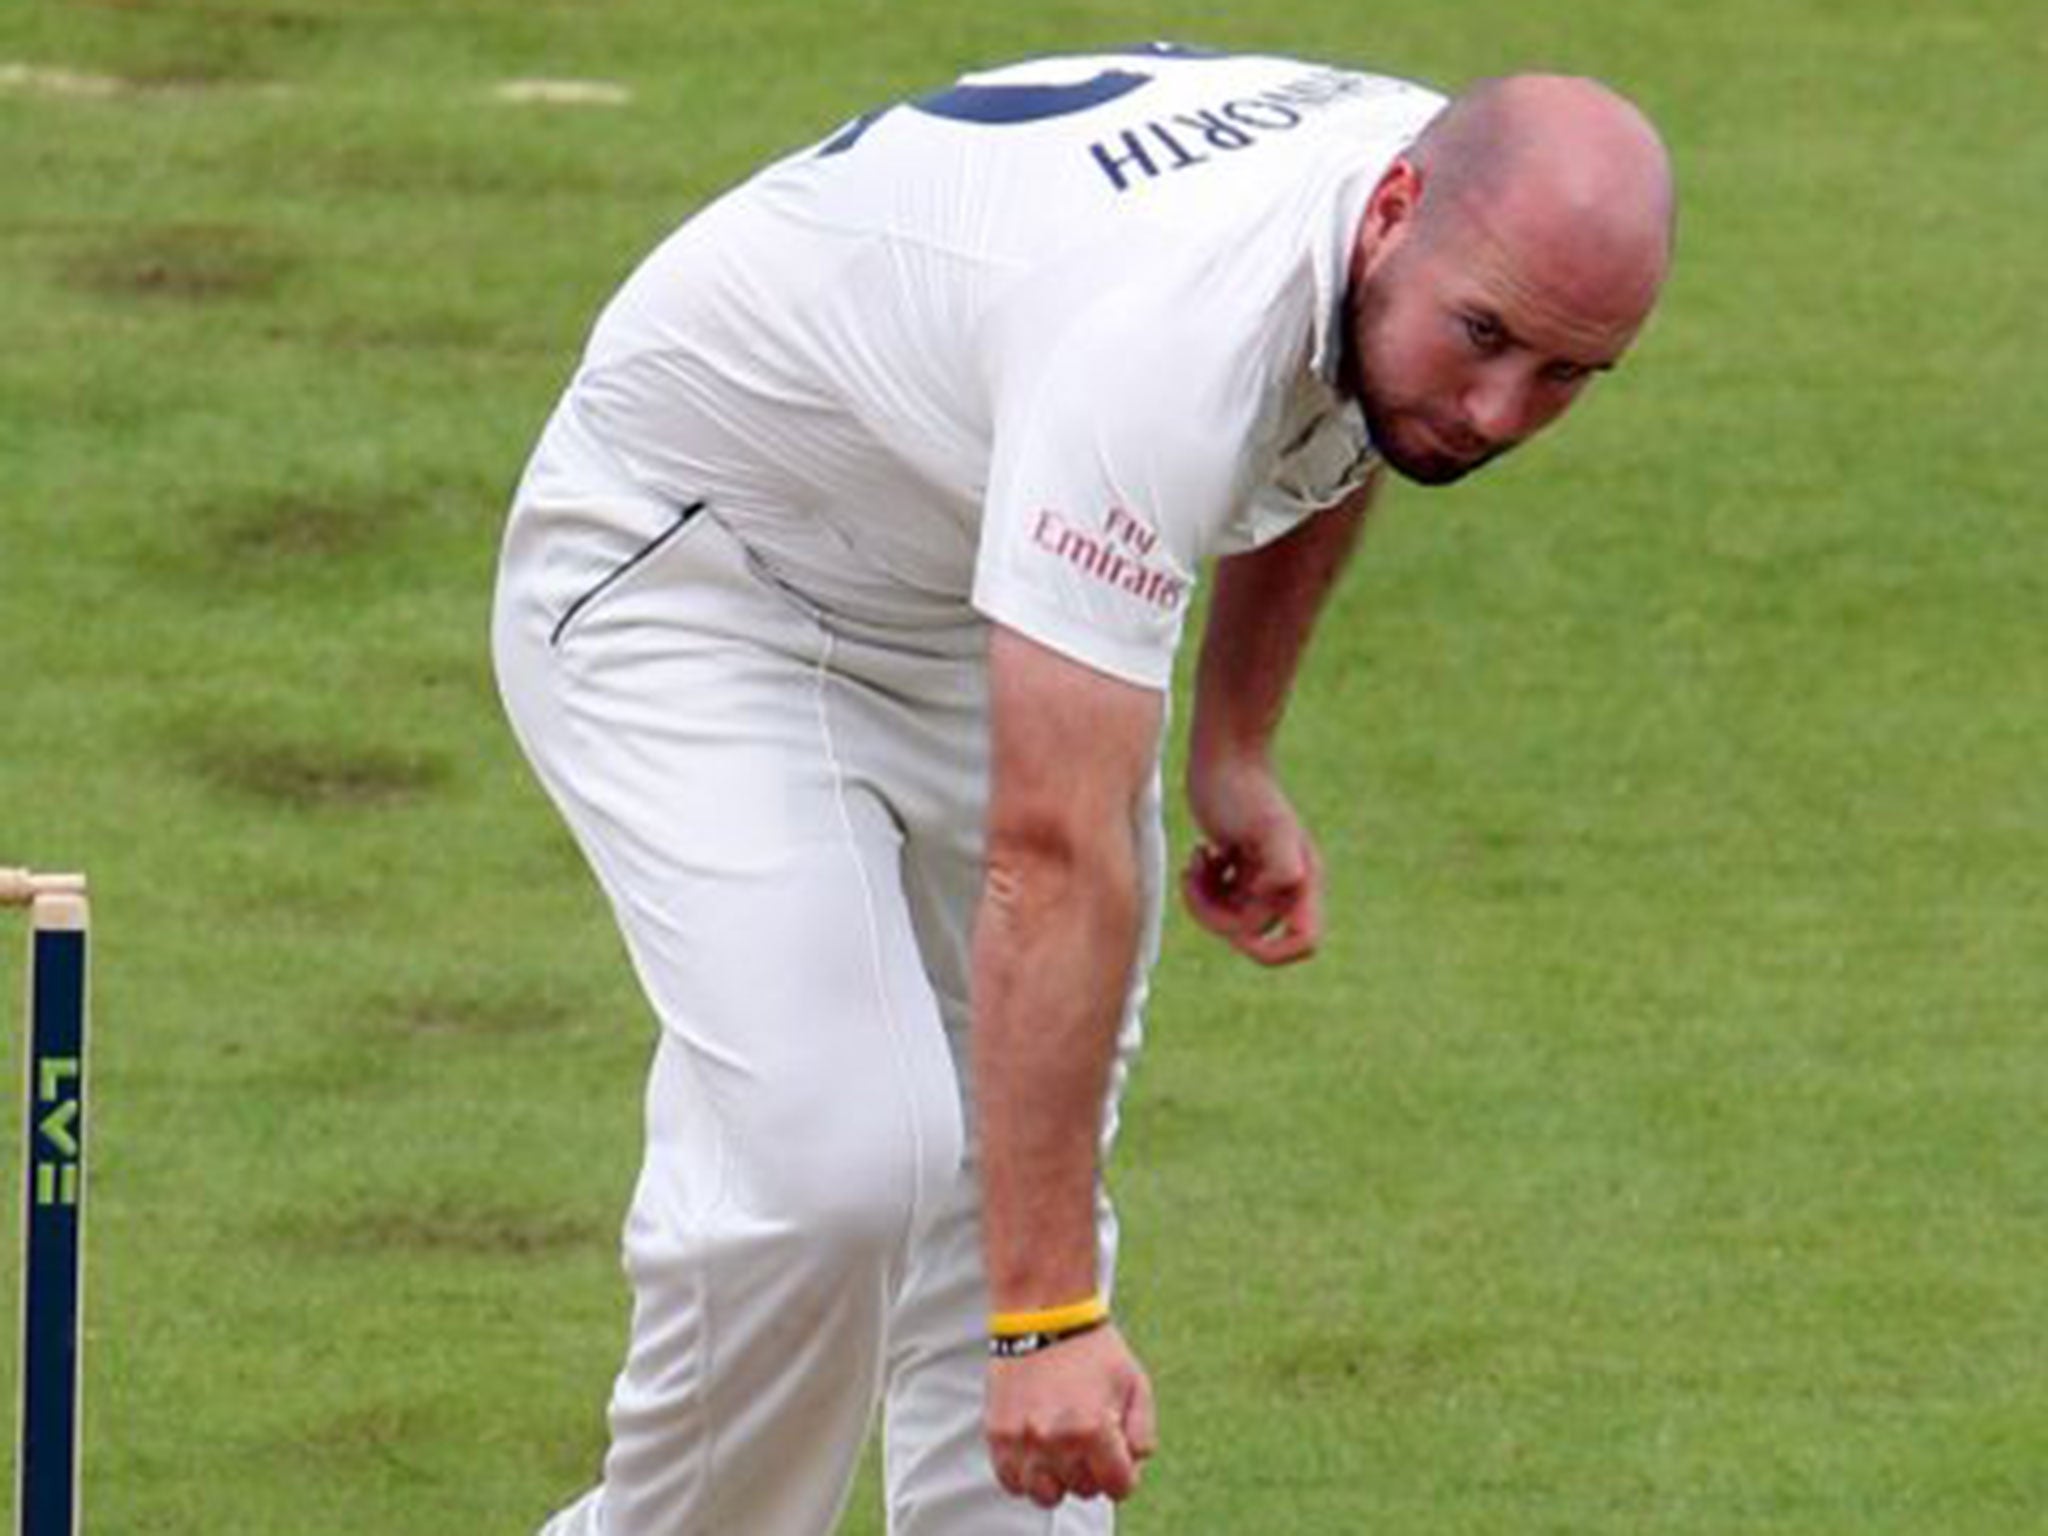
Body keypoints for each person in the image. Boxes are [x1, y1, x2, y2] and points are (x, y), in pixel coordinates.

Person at [491, 42, 1673, 1536]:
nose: (1501, 412)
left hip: (960, 574)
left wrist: (1234, 742)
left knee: (1014, 1159)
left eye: (1567, 372)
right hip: (695, 572)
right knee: (841, 1161)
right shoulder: (1170, 329)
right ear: (1388, 214)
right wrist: (1048, 1326)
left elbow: (1359, 419)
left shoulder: (1418, 241)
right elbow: (1051, 862)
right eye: (1490, 337)